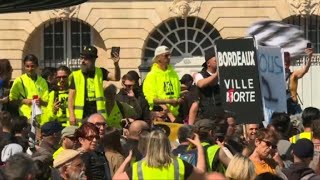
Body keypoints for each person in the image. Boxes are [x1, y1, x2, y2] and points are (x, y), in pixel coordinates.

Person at [113, 130, 205, 180]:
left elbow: (116, 178)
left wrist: (127, 160)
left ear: (149, 146)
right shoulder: (180, 165)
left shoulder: (137, 168)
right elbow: (202, 174)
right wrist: (199, 147)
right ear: (167, 145)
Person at [68, 45, 121, 126]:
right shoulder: (75, 75)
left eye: (85, 59)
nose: (82, 61)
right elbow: (71, 98)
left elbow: (116, 78)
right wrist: (71, 114)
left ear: (93, 60)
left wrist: (116, 64)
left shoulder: (100, 72)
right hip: (81, 117)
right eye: (82, 58)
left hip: (98, 116)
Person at [143, 46, 182, 122]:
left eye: (170, 55)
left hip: (175, 115)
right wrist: (169, 101)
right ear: (158, 58)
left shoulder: (173, 74)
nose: (169, 57)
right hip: (160, 115)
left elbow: (178, 94)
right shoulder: (151, 75)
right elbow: (151, 99)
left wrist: (178, 100)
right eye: (166, 55)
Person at [9, 54, 49, 123]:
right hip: (25, 119)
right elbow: (11, 101)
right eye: (27, 66)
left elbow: (47, 102)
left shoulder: (42, 81)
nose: (30, 69)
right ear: (24, 66)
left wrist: (41, 101)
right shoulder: (19, 81)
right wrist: (24, 101)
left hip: (41, 119)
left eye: (32, 66)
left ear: (37, 66)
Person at [194, 50, 223, 120]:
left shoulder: (223, 75)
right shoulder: (200, 75)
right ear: (208, 63)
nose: (219, 62)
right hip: (205, 115)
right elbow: (201, 84)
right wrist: (216, 74)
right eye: (216, 61)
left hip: (221, 114)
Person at [284, 48, 313, 115]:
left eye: (287, 61)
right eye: (284, 61)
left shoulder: (293, 75)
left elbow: (305, 70)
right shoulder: (276, 76)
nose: (286, 63)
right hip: (282, 106)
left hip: (293, 106)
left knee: (300, 122)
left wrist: (310, 57)